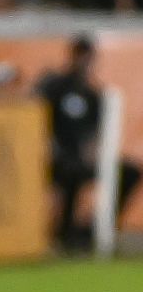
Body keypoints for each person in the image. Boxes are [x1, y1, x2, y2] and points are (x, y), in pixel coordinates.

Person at [37, 37, 141, 250]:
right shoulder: (54, 87)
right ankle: (65, 233)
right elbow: (38, 121)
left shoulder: (94, 95)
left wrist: (96, 148)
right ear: (72, 56)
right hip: (57, 158)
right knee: (71, 171)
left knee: (130, 172)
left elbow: (98, 131)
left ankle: (99, 227)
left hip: (83, 159)